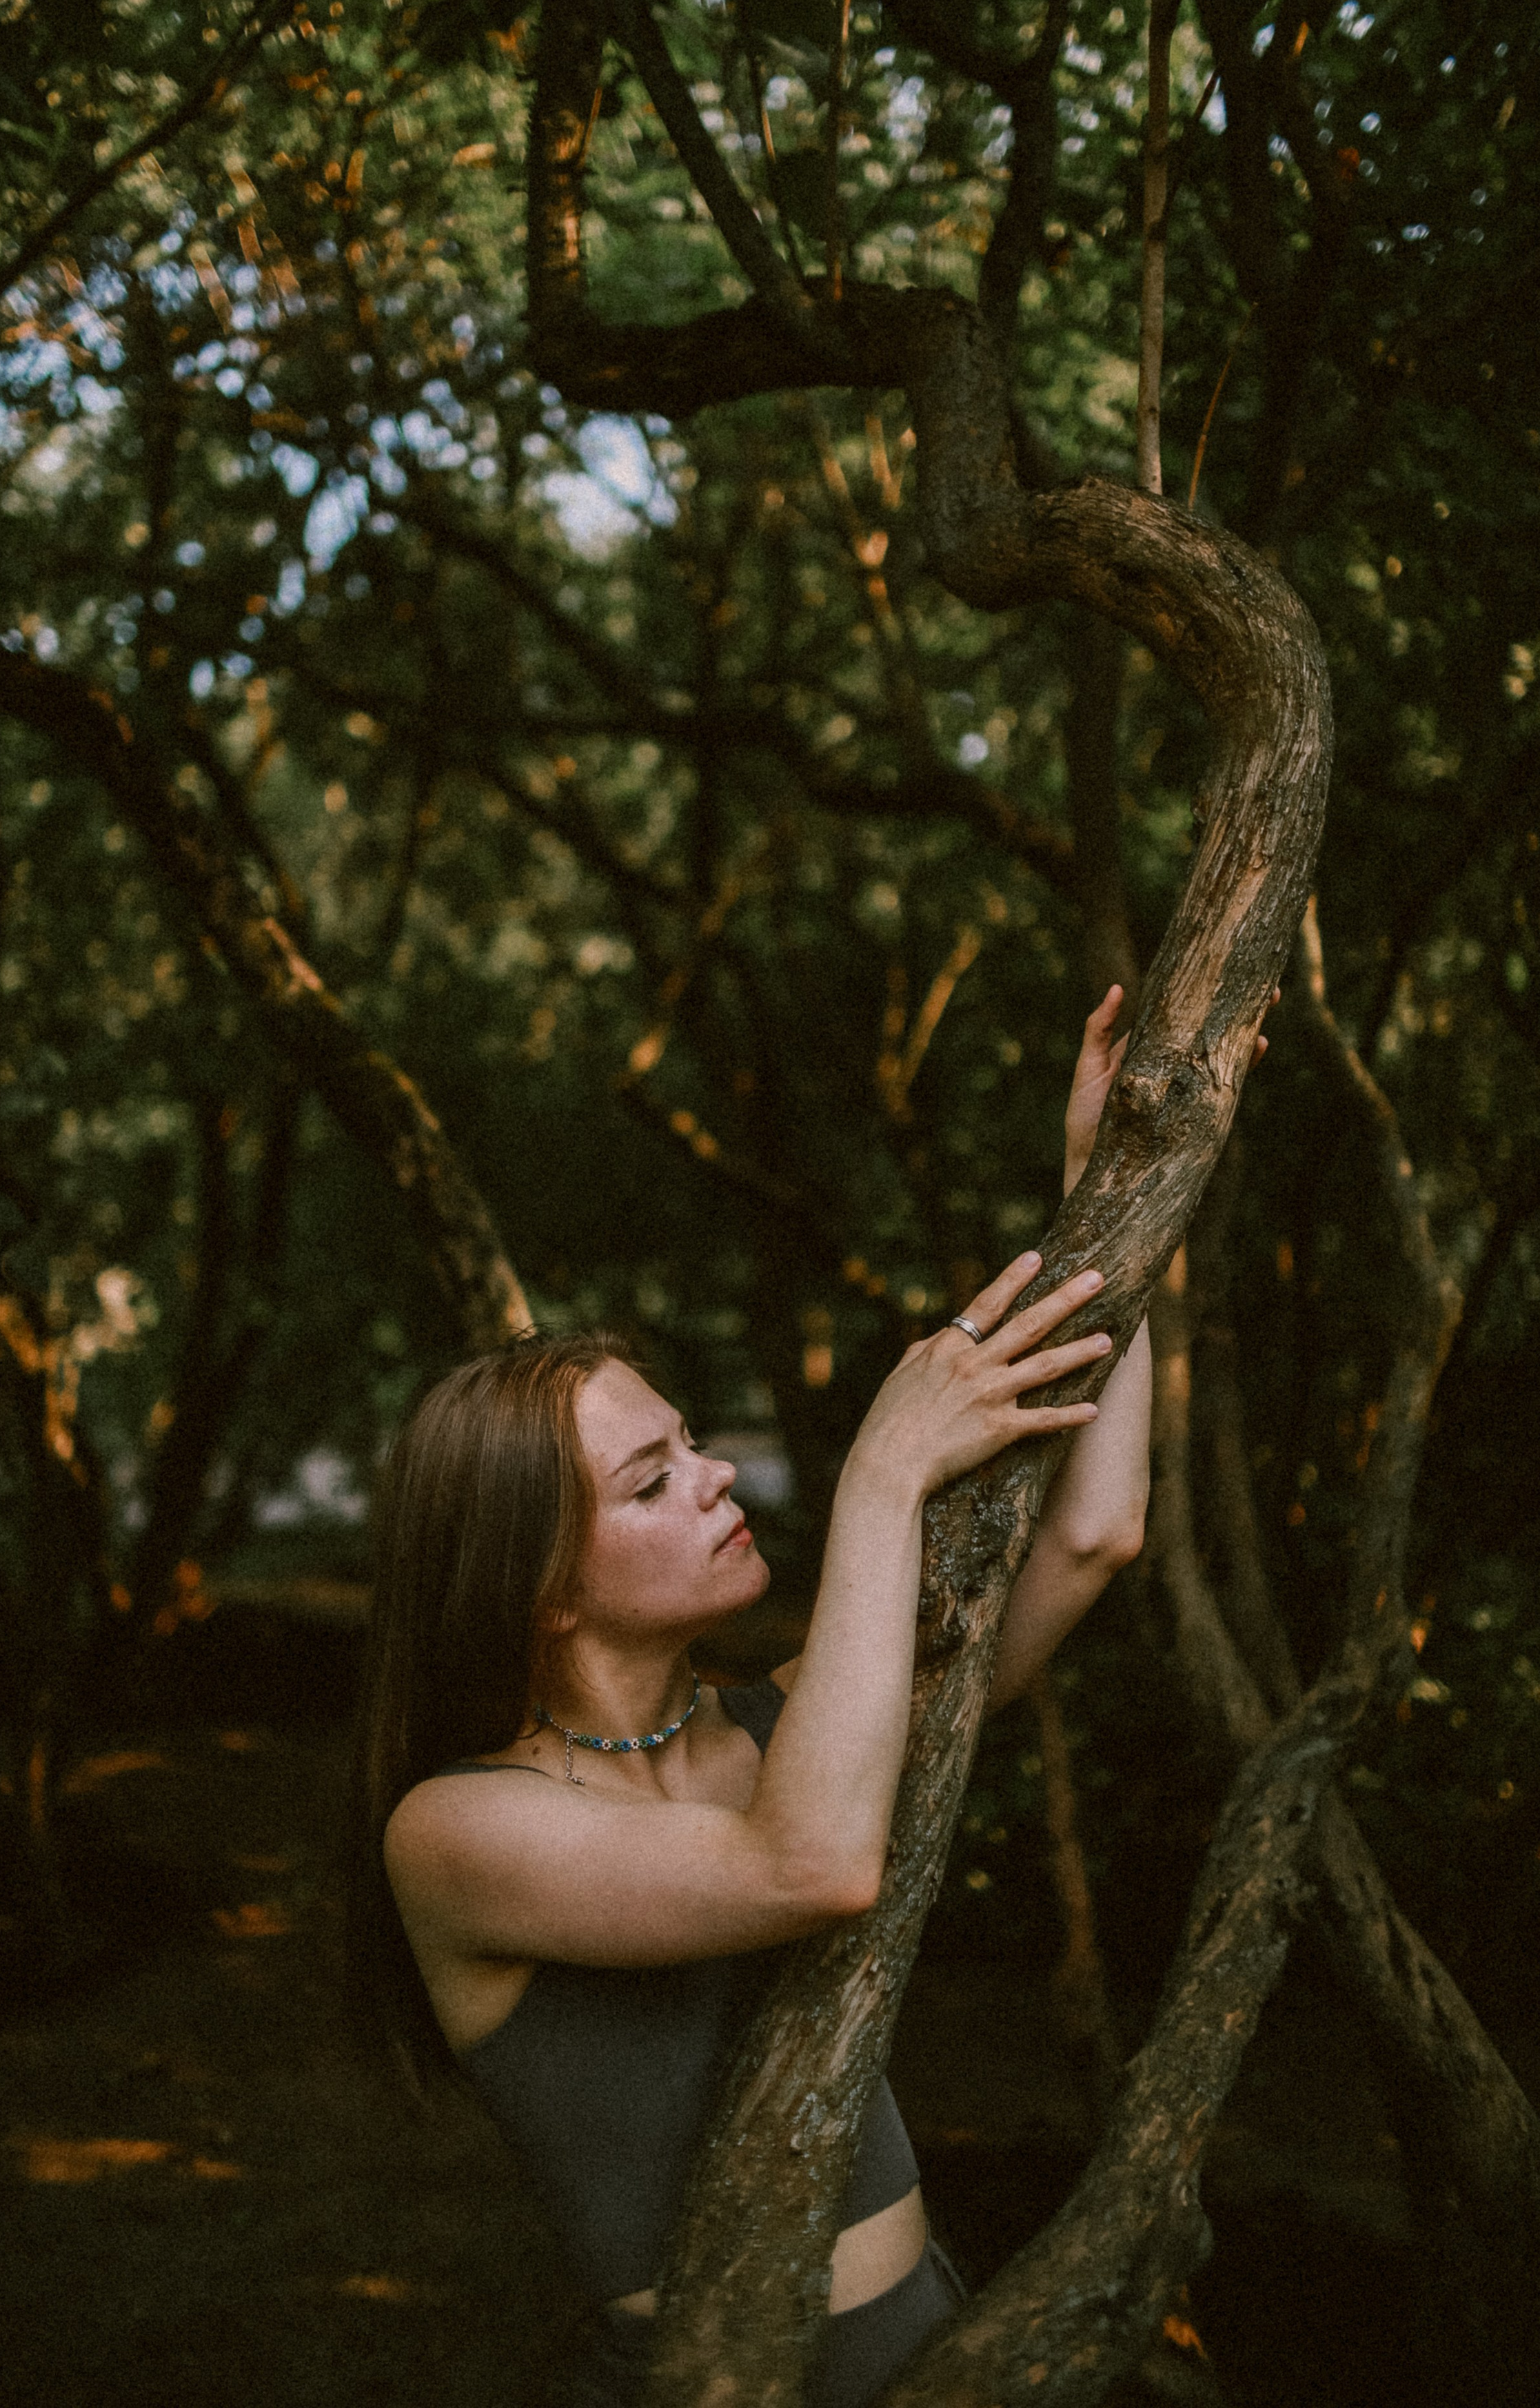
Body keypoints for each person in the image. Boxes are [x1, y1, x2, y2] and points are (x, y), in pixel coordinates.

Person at [349, 988, 1153, 2408]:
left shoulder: (787, 1732)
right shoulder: (456, 1832)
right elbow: (812, 1864)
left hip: (926, 2351)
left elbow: (1090, 1538)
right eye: (653, 1481)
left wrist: (1116, 1192)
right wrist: (880, 1475)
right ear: (539, 1589)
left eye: (687, 1443)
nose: (713, 1475)